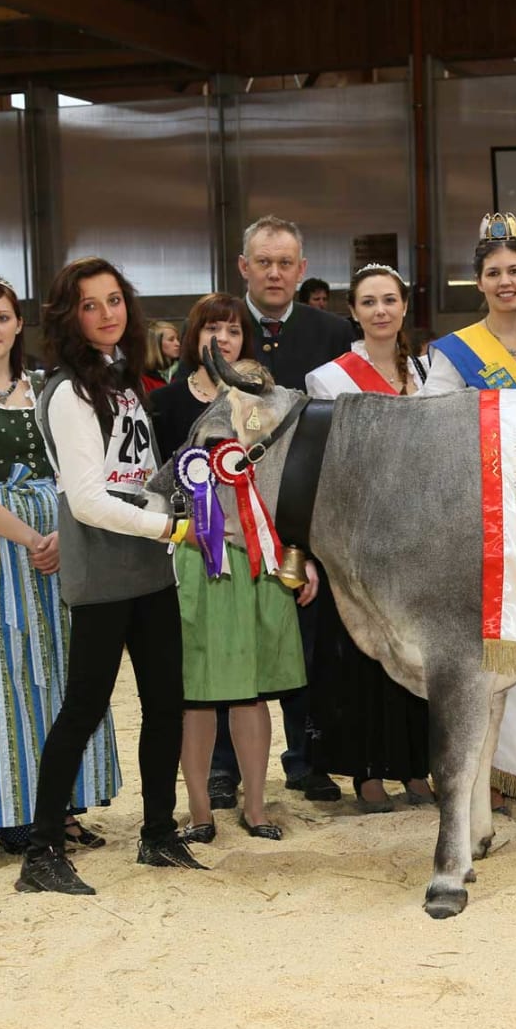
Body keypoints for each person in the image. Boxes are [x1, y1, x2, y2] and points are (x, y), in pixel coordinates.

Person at [20, 256, 202, 896]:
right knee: (84, 708)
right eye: (90, 304)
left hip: (150, 570)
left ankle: (158, 832)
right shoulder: (69, 391)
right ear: (68, 316)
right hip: (102, 571)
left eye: (114, 300)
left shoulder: (126, 380)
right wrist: (171, 529)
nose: (106, 313)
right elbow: (88, 501)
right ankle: (41, 852)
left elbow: (140, 475)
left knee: (166, 705)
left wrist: (175, 510)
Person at [0, 275, 121, 854]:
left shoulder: (44, 387)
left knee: (64, 671)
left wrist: (64, 533)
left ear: (19, 324)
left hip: (62, 539)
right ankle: (14, 813)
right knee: (5, 676)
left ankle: (61, 805)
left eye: (4, 317)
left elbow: (79, 468)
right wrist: (33, 538)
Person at [151, 293, 318, 842]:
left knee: (254, 691)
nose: (222, 339)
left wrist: (299, 559)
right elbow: (156, 489)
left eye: (233, 330)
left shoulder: (273, 413)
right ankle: (200, 811)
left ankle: (257, 807)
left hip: (262, 565)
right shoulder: (173, 410)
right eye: (211, 329)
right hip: (199, 560)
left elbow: (288, 495)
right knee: (196, 693)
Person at [412, 213, 516, 813]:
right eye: (494, 272)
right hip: (482, 518)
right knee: (486, 650)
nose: (506, 282)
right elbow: (432, 430)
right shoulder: (455, 354)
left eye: (514, 271)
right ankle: (482, 782)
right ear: (478, 283)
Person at [207, 215, 356, 809]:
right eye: (263, 262)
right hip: (230, 518)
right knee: (229, 641)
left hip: (307, 514)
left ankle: (307, 759)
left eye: (285, 263)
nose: (274, 273)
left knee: (308, 642)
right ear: (243, 267)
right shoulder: (222, 327)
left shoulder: (333, 332)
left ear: (302, 269)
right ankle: (223, 767)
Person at [305, 264, 432, 811]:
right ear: (353, 312)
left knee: (419, 652)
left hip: (424, 536)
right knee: (366, 656)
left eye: (389, 300)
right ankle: (367, 773)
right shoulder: (328, 379)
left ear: (404, 306)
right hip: (364, 537)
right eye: (369, 302)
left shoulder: (430, 372)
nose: (381, 311)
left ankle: (417, 767)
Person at [141, 319, 181, 393]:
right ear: (156, 344)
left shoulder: (185, 369)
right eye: (171, 340)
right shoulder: (143, 377)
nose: (178, 344)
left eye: (177, 339)